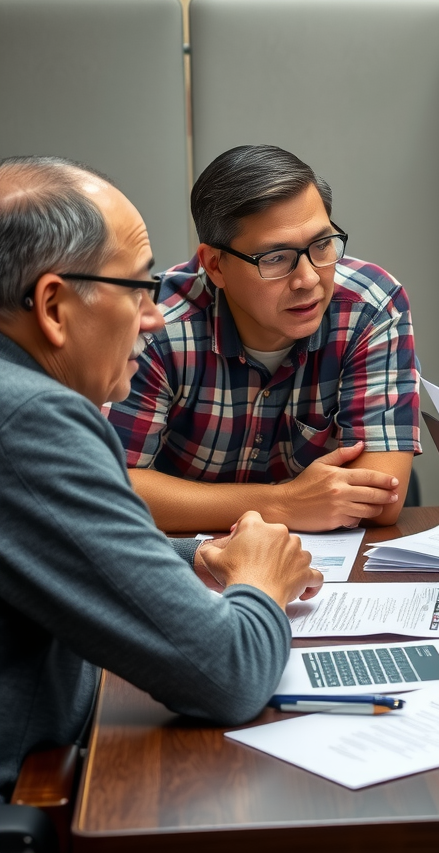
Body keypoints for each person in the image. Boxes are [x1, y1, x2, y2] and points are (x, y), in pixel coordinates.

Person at [0, 156, 323, 799]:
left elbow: (50, 548)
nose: (153, 318)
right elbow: (228, 674)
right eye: (137, 291)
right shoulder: (32, 420)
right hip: (34, 792)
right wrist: (262, 578)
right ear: (54, 306)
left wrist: (194, 556)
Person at [106, 144, 420, 534]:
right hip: (193, 559)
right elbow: (112, 491)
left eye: (321, 245)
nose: (308, 279)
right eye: (275, 258)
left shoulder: (369, 307)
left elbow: (380, 497)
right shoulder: (155, 328)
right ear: (215, 266)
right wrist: (284, 503)